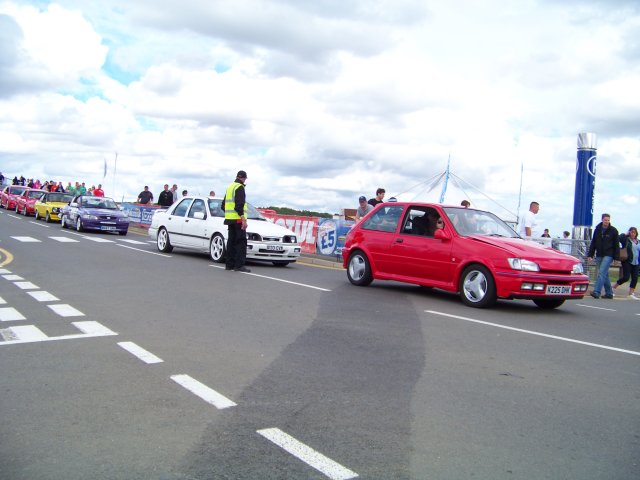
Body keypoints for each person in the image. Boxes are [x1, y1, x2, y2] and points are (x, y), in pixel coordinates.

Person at [222, 170, 250, 272]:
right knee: (241, 242)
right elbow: (239, 205)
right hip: (238, 219)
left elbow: (223, 205)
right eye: (245, 179)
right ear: (243, 178)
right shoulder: (240, 187)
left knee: (231, 242)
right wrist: (243, 219)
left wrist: (229, 214)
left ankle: (229, 265)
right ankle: (239, 265)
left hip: (230, 219)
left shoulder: (230, 187)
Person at [587, 213, 619, 299]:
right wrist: (590, 254)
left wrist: (616, 258)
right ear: (602, 220)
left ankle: (597, 291)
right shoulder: (597, 229)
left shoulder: (613, 231)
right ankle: (609, 293)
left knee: (601, 272)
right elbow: (593, 242)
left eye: (608, 220)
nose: (607, 222)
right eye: (605, 220)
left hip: (609, 254)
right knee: (604, 274)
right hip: (599, 254)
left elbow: (616, 245)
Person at [613, 227, 639, 299]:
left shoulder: (638, 241)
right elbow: (618, 238)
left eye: (634, 232)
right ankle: (613, 288)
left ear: (636, 233)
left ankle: (631, 293)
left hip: (636, 262)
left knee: (635, 278)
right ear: (629, 232)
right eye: (631, 232)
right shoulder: (626, 240)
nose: (633, 234)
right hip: (627, 261)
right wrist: (625, 234)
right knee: (626, 277)